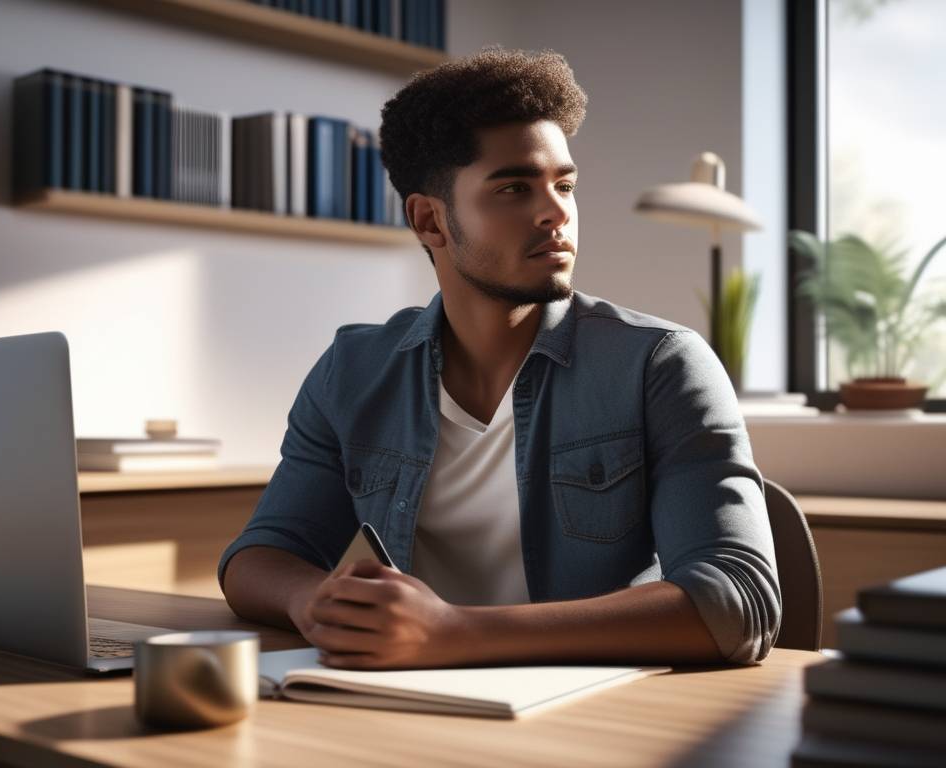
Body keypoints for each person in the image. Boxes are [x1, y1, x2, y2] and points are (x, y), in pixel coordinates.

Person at [218, 47, 781, 670]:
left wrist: (456, 633)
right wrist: (313, 601)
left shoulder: (660, 366)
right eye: (515, 188)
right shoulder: (353, 370)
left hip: (595, 711)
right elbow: (258, 556)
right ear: (430, 220)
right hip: (408, 696)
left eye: (564, 185)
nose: (555, 212)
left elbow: (740, 602)